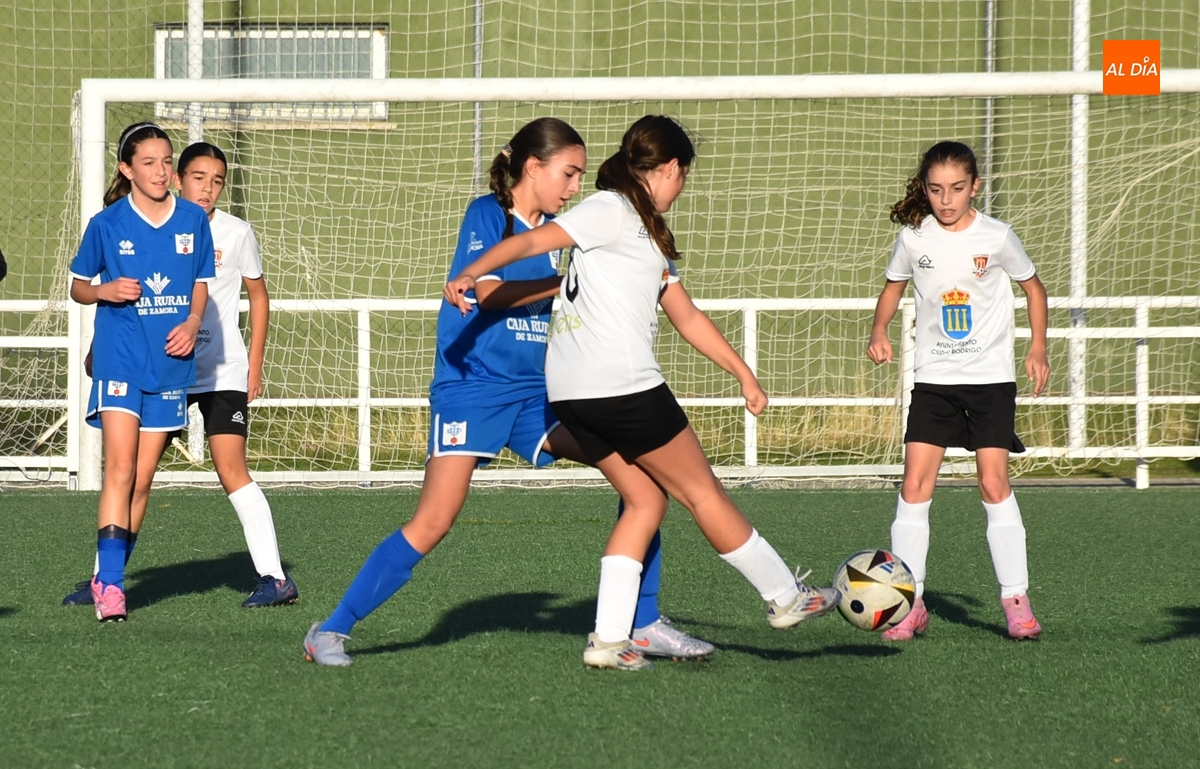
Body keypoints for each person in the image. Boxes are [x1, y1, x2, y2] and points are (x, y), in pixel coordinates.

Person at [303, 117, 713, 666]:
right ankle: (330, 631)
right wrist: (563, 284)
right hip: (473, 388)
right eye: (568, 173)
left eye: (581, 176)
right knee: (434, 520)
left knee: (642, 477)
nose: (575, 187)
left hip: (539, 395)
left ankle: (643, 622)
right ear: (533, 167)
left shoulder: (570, 231)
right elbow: (490, 291)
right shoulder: (489, 215)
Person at [443, 115, 840, 672]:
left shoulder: (645, 230)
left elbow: (686, 315)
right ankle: (785, 596)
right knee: (703, 493)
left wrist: (742, 373)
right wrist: (472, 272)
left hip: (574, 394)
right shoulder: (610, 209)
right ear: (670, 168)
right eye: (684, 177)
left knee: (646, 501)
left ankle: (609, 640)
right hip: (621, 386)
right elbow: (530, 240)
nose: (682, 188)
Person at [62, 141, 298, 609]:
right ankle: (105, 578)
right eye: (197, 178)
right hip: (163, 368)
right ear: (178, 179)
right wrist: (97, 349)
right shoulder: (148, 222)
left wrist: (253, 365)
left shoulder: (234, 231)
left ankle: (274, 576)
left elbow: (257, 295)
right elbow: (129, 306)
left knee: (231, 469)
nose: (207, 188)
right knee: (135, 474)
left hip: (220, 371)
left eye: (217, 181)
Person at [866, 140, 1050, 641]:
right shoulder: (913, 238)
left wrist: (1037, 348)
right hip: (934, 381)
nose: (946, 200)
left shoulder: (997, 236)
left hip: (990, 381)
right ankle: (910, 603)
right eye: (936, 189)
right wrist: (879, 329)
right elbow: (893, 287)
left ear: (975, 187)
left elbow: (1034, 288)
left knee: (992, 483)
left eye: (957, 188)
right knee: (914, 486)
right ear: (925, 189)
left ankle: (1016, 600)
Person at [67, 122, 216, 621]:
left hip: (170, 363)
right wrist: (103, 292)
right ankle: (111, 587)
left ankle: (106, 574)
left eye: (166, 161)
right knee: (121, 468)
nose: (160, 171)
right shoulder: (107, 224)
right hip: (120, 358)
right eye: (148, 162)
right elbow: (79, 286)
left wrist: (193, 322)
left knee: (144, 479)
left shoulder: (192, 219)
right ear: (127, 169)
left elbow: (200, 282)